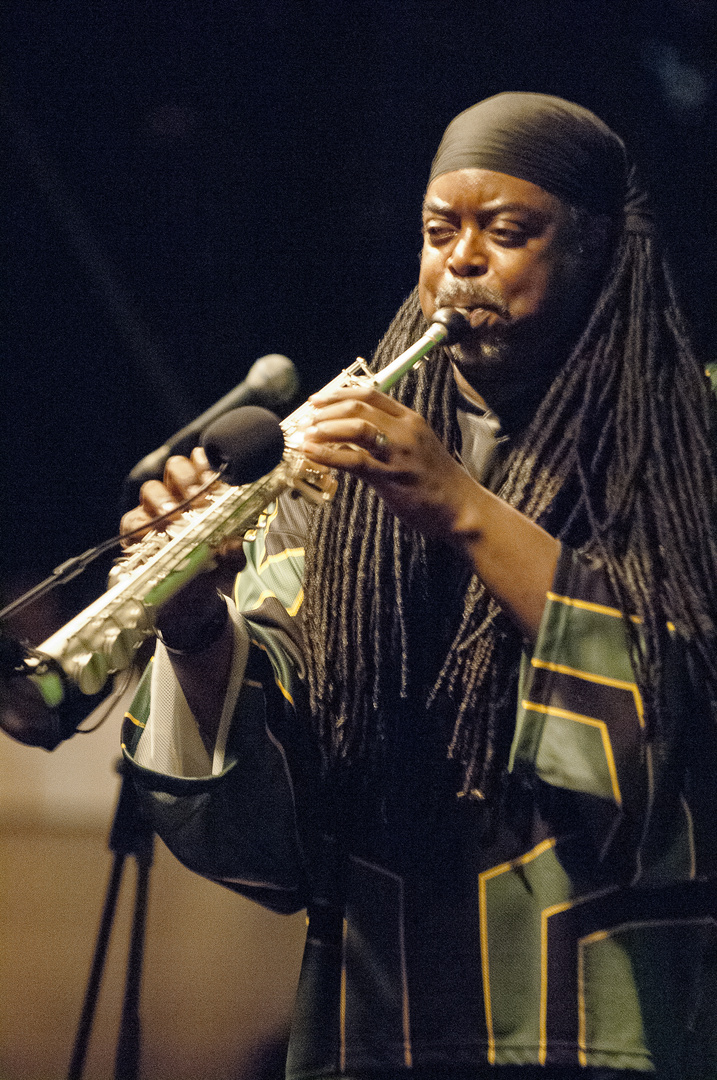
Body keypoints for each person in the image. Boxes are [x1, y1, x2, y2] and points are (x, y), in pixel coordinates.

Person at [5, 93, 717, 1078]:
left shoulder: (686, 448)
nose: (460, 260)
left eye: (507, 232)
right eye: (439, 232)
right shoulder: (333, 477)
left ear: (598, 250)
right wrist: (197, 623)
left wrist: (460, 506)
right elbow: (275, 836)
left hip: (614, 1032)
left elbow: (675, 718)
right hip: (373, 1035)